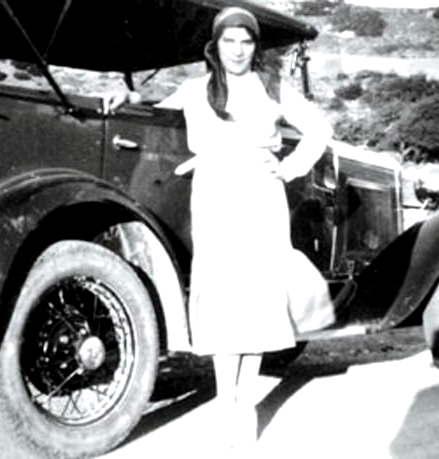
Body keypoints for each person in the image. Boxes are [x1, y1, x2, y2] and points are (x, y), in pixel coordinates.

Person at [108, 6, 334, 450]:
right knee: (223, 297)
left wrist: (289, 169)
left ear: (255, 46)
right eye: (229, 41)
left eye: (246, 41)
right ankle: (224, 402)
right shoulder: (196, 90)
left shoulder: (273, 87)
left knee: (256, 299)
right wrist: (127, 97)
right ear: (215, 46)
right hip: (214, 198)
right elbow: (155, 106)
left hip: (261, 199)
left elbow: (319, 129)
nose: (238, 50)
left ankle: (244, 406)